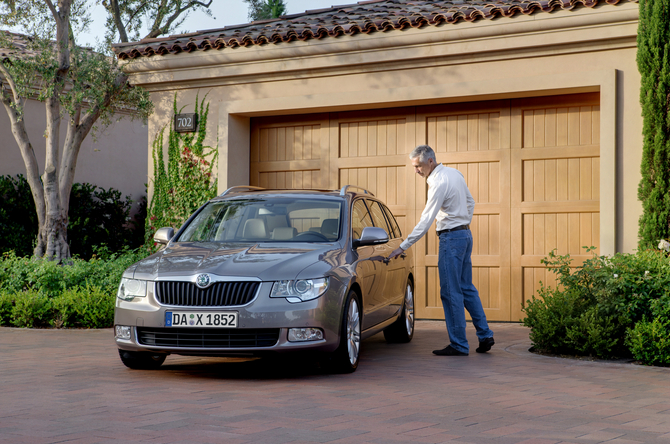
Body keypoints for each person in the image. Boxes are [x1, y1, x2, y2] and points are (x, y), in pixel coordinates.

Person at [388, 145, 494, 356]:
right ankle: (485, 335)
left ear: (430, 162)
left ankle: (458, 345)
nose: (416, 171)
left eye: (418, 166)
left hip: (452, 239)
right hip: (465, 235)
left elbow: (426, 220)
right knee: (466, 287)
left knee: (450, 292)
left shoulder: (437, 182)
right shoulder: (455, 173)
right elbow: (470, 202)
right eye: (413, 166)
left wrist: (403, 246)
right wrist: (462, 221)